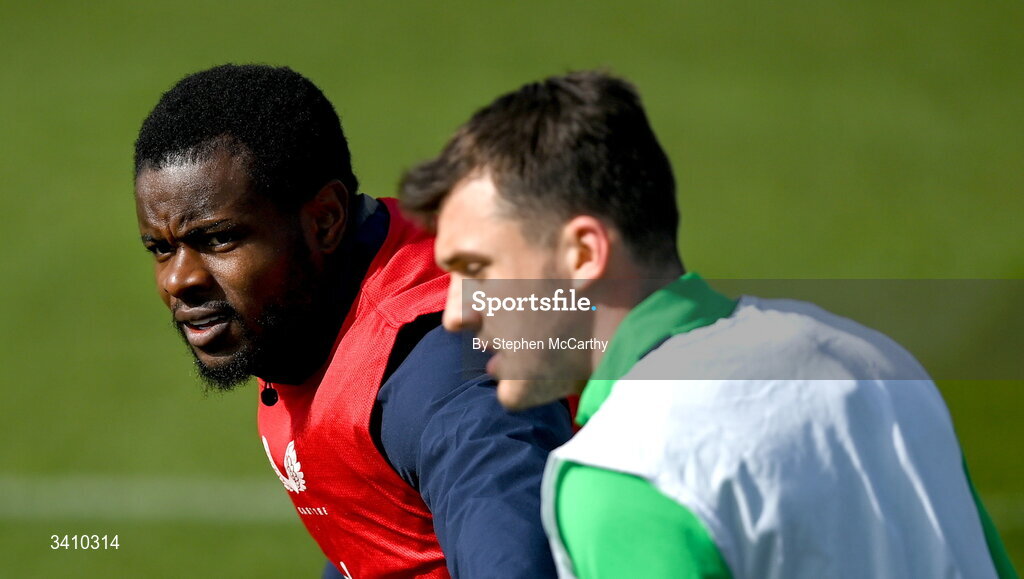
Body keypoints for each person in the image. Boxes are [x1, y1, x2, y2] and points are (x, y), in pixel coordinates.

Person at [399, 71, 1017, 578]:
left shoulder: (625, 473)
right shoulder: (872, 362)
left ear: (583, 254)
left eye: (478, 268)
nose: (457, 311)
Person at [133, 64, 572, 578]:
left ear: (324, 220)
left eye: (218, 239)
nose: (178, 280)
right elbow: (379, 541)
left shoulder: (445, 382)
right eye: (160, 249)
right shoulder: (302, 315)